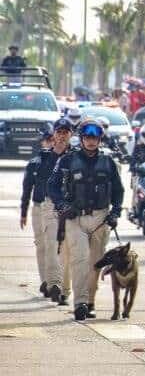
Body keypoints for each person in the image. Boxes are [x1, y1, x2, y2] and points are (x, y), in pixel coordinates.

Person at [48, 119, 124, 321]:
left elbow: (118, 190)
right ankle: (80, 303)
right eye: (87, 137)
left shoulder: (108, 162)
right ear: (81, 139)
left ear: (100, 139)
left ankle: (90, 301)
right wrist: (62, 205)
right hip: (76, 218)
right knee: (79, 260)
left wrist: (115, 212)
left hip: (100, 218)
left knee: (95, 263)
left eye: (95, 138)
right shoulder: (67, 161)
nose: (91, 141)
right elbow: (52, 187)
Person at [21, 122, 73, 305]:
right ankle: (51, 283)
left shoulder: (75, 156)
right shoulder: (43, 159)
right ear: (54, 135)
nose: (62, 136)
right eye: (59, 132)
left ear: (71, 134)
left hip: (69, 207)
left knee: (65, 249)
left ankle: (59, 284)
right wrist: (23, 210)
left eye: (66, 132)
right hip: (45, 206)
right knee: (46, 245)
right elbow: (29, 185)